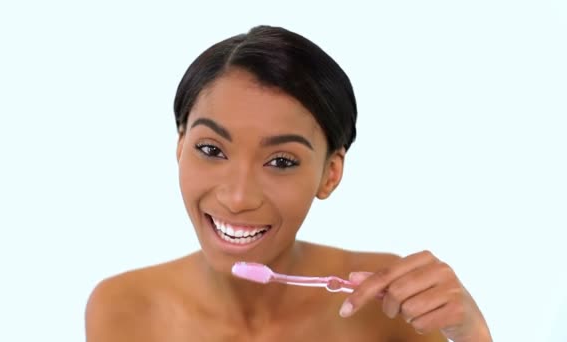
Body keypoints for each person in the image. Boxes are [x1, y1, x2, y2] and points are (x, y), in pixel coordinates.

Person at [85, 25, 492, 341]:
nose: (238, 197)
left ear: (330, 174)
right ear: (179, 146)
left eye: (281, 161)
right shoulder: (122, 309)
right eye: (211, 149)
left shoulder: (389, 306)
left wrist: (473, 333)